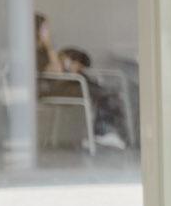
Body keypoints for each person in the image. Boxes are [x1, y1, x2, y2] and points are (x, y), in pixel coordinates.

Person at [35, 12, 129, 149]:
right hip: (53, 88)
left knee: (105, 92)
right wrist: (49, 47)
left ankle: (105, 132)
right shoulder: (37, 51)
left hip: (61, 84)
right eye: (45, 28)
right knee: (103, 94)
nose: (48, 32)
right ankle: (103, 133)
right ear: (37, 31)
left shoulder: (44, 50)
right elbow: (56, 72)